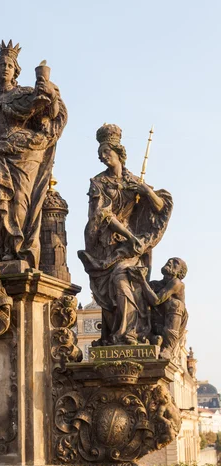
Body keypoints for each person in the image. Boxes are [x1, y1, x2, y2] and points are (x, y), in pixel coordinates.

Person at [0, 40, 67, 268]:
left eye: (9, 65)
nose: (5, 68)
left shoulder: (25, 94)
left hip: (25, 154)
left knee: (19, 201)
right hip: (0, 154)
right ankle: (1, 250)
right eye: (1, 64)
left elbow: (50, 114)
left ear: (16, 71)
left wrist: (49, 93)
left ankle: (19, 253)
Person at [78, 124, 173, 345]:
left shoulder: (133, 180)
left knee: (125, 280)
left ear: (119, 153)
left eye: (106, 152)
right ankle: (120, 335)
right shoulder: (98, 183)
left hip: (132, 248)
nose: (102, 157)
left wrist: (146, 192)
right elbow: (104, 215)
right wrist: (130, 237)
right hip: (108, 245)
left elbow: (161, 207)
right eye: (100, 153)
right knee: (115, 286)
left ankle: (129, 334)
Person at [132, 257, 188, 359]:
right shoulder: (155, 284)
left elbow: (156, 300)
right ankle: (147, 334)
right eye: (169, 260)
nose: (170, 262)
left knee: (175, 304)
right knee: (141, 294)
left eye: (176, 263)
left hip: (173, 325)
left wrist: (142, 281)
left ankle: (168, 348)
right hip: (157, 323)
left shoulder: (177, 283)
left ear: (180, 272)